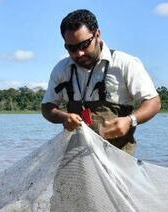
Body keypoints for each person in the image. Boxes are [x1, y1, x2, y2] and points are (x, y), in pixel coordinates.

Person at [41, 9, 161, 155]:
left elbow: (153, 102)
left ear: (97, 34)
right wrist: (64, 117)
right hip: (75, 157)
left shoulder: (125, 63)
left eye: (84, 45)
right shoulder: (61, 69)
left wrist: (130, 120)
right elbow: (47, 107)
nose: (79, 53)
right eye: (71, 48)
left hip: (117, 157)